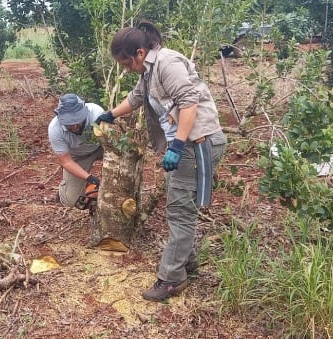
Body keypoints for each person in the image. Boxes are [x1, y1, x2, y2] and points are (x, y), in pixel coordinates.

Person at [95, 20, 227, 302]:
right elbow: (137, 98)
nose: (125, 68)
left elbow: (189, 102)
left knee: (180, 212)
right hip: (186, 146)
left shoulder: (168, 63)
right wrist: (111, 114)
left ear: (139, 53)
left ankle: (171, 278)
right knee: (180, 205)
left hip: (196, 145)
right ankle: (187, 263)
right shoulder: (149, 71)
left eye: (125, 63)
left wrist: (177, 145)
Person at [47, 94, 104, 207]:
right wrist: (89, 178)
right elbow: (66, 161)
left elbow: (111, 140)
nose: (74, 126)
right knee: (71, 200)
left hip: (101, 147)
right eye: (69, 123)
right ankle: (67, 190)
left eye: (78, 120)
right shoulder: (55, 129)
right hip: (78, 156)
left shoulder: (96, 113)